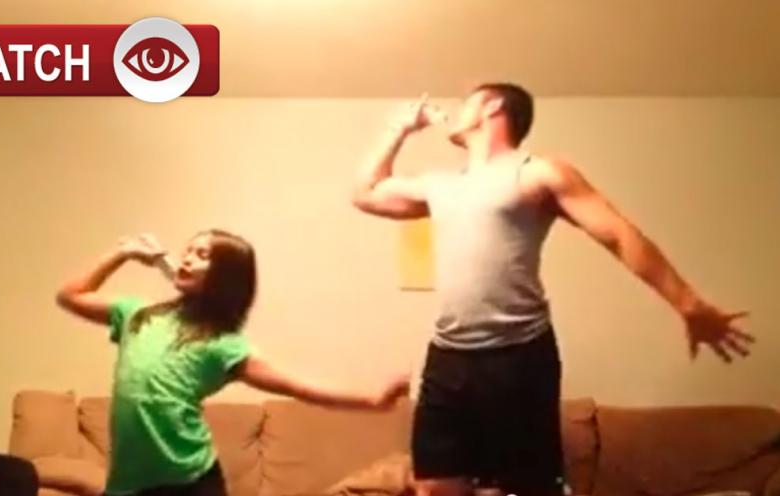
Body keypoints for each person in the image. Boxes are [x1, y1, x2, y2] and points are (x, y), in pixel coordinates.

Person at [351, 84, 754, 496]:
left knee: (527, 487)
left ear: (493, 106)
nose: (454, 111)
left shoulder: (538, 173)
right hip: (447, 357)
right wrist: (398, 128)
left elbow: (617, 235)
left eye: (466, 102)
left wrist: (687, 303)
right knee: (434, 487)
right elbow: (364, 194)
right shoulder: (441, 185)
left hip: (518, 355)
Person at [56, 229, 409, 496]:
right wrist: (123, 253)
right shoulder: (137, 314)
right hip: (127, 484)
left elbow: (296, 385)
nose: (188, 258)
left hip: (189, 481)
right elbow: (70, 295)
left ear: (224, 278)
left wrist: (372, 398)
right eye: (188, 251)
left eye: (202, 255)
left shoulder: (223, 345)